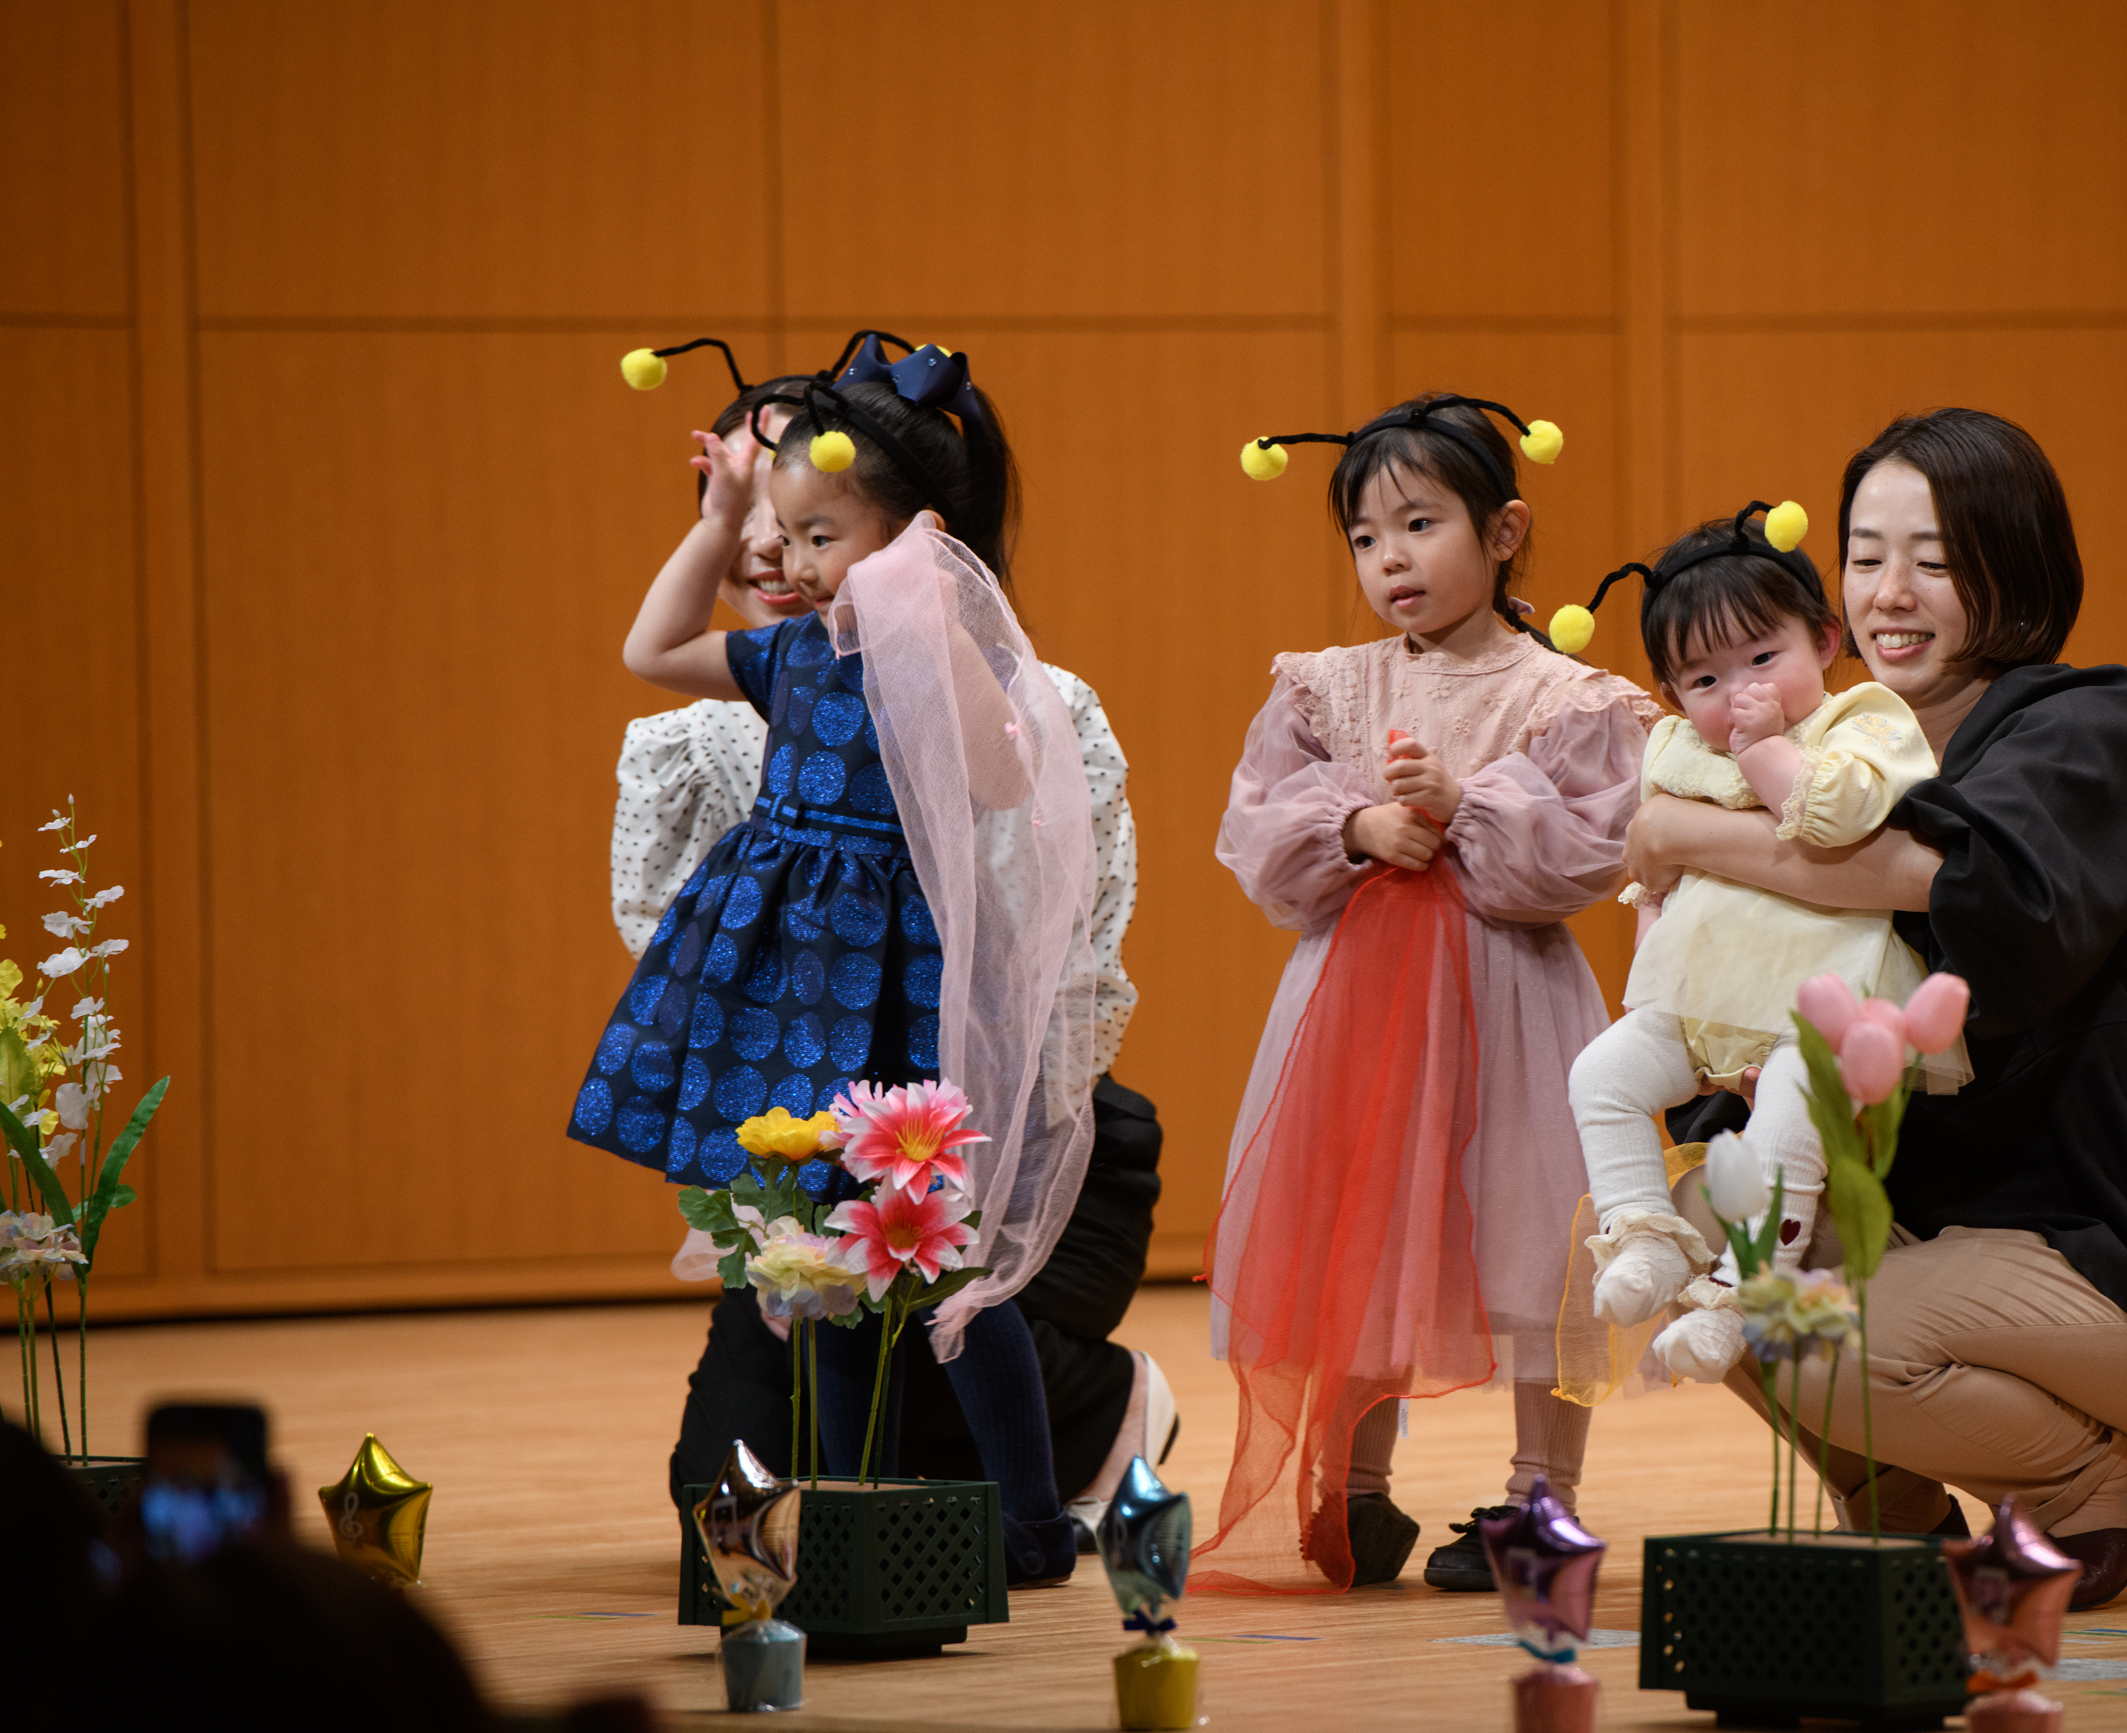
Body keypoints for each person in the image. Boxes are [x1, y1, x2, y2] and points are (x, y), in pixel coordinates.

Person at [1623, 407, 2127, 1610]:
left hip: (2102, 1269)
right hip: (1935, 1242)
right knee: (1703, 1227)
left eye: (1935, 558)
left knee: (1798, 1327)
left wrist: (1682, 830)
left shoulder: (2085, 722)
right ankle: (1896, 1513)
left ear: (2013, 563)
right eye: (1864, 555)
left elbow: (1973, 887)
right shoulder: (1824, 739)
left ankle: (2094, 1487)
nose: (1889, 592)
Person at [611, 368, 1175, 1544]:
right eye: (773, 524)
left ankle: (1040, 1504)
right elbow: (651, 646)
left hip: (919, 1029)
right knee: (806, 1314)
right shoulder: (784, 660)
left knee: (940, 1282)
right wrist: (715, 519)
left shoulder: (961, 670)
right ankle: (853, 1514)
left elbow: (1001, 776)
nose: (789, 554)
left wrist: (926, 609)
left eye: (816, 530)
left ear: (909, 534)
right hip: (798, 1029)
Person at [1195, 394, 1657, 1594]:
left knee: (1534, 1238)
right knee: (1363, 1222)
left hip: (1508, 1002)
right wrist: (1354, 824)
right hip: (1355, 1006)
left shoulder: (1564, 695)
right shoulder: (1326, 684)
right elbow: (1260, 830)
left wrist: (1467, 808)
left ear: (1503, 530)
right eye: (1363, 536)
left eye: (1418, 523)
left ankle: (1539, 1495)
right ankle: (1355, 1485)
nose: (1389, 558)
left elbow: (1585, 854)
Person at [1557, 503, 1964, 1388]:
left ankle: (1744, 1291)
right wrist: (1655, 986)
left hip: (1823, 991)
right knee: (1600, 1073)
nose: (1738, 691)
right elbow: (1657, 879)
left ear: (1824, 639)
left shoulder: (1863, 719)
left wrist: (1766, 751)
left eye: (1762, 659)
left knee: (1786, 1110)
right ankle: (1644, 1233)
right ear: (1671, 695)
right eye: (1704, 678)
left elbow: (1837, 814)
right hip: (1703, 990)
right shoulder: (1674, 747)